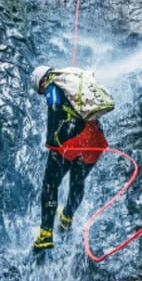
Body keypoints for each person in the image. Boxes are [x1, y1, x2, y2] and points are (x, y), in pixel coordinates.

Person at [30, 65, 111, 252]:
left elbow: (54, 106)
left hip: (72, 140)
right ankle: (66, 218)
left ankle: (45, 234)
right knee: (78, 179)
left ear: (42, 82)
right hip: (95, 139)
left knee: (50, 185)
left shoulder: (52, 85)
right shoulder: (73, 79)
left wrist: (51, 140)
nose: (44, 93)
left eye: (41, 91)